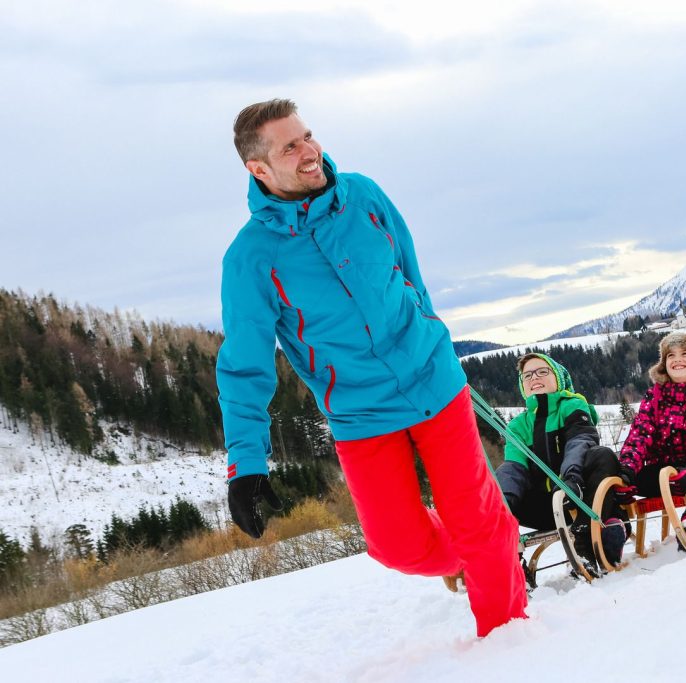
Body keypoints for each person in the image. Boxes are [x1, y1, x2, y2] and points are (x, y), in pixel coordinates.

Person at [216, 99, 527, 637]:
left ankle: (510, 641)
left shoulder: (362, 195)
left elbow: (410, 271)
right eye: (290, 146)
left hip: (434, 380)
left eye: (308, 135)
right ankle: (486, 549)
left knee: (476, 522)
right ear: (258, 168)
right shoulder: (249, 258)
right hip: (360, 411)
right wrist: (247, 465)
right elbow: (244, 366)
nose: (310, 151)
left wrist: (429, 333)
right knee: (398, 547)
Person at [495, 353, 629, 566]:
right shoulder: (518, 426)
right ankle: (508, 563)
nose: (534, 378)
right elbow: (514, 468)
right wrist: (500, 502)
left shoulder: (572, 406)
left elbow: (581, 441)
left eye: (542, 371)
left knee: (602, 456)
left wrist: (570, 478)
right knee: (502, 479)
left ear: (557, 378)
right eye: (527, 375)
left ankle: (586, 540)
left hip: (580, 498)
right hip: (545, 506)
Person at [617, 332, 686, 551]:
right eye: (671, 355)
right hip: (662, 472)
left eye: (685, 353)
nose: (677, 359)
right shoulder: (655, 397)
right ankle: (614, 529)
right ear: (664, 364)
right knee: (617, 472)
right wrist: (628, 469)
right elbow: (641, 434)